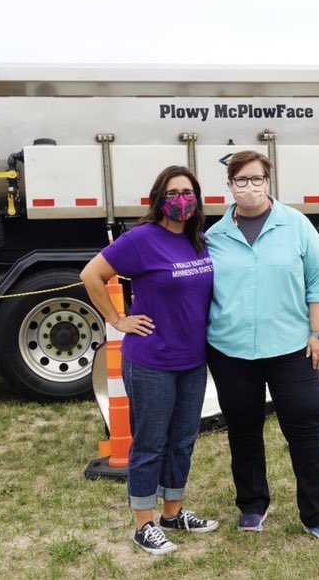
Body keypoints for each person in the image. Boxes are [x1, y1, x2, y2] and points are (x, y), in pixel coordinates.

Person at [205, 150, 319, 545]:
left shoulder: (296, 225)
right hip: (231, 351)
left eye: (257, 179)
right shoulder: (214, 237)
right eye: (241, 180)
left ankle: (318, 514)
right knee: (243, 430)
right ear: (229, 185)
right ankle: (252, 504)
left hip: (292, 349)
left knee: (305, 428)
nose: (249, 187)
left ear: (268, 182)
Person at [80, 165, 218, 555]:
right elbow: (91, 274)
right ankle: (144, 523)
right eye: (172, 193)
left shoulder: (198, 240)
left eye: (187, 193)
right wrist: (117, 319)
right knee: (150, 443)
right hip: (151, 362)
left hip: (192, 360)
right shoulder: (141, 239)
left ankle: (173, 513)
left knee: (183, 440)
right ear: (158, 199)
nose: (181, 200)